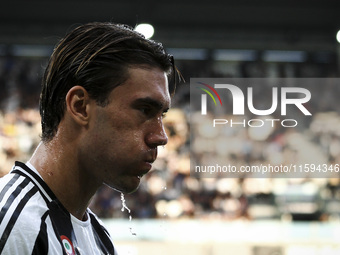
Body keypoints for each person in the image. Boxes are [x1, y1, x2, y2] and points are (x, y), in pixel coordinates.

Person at [0, 22, 177, 254]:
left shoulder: (99, 238)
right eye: (145, 110)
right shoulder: (14, 227)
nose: (161, 137)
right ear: (80, 106)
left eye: (161, 115)